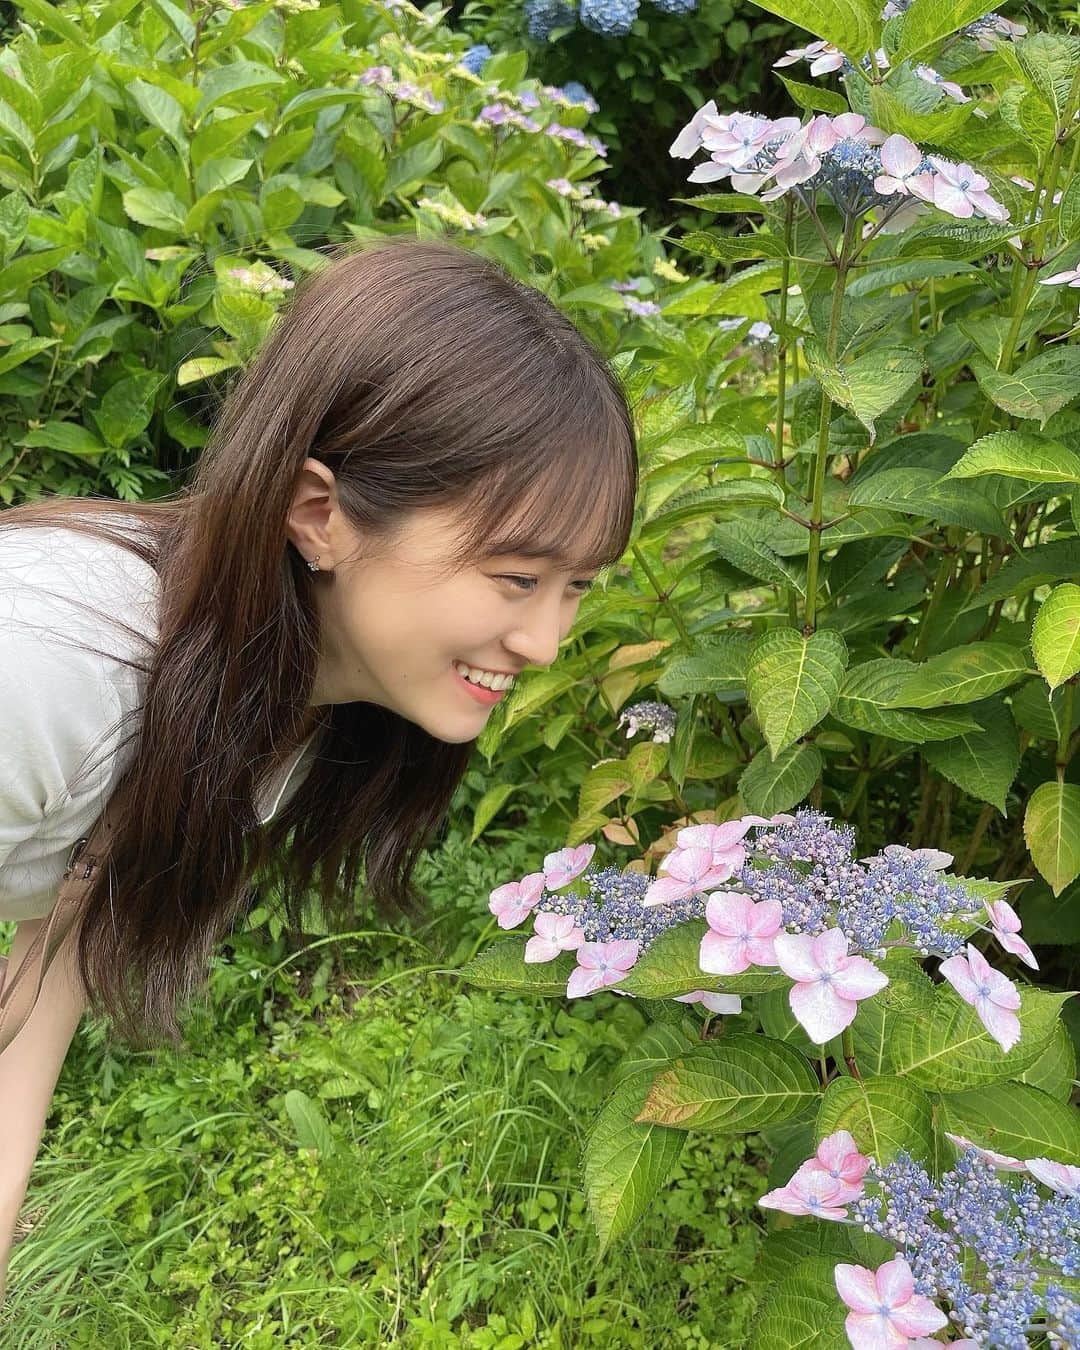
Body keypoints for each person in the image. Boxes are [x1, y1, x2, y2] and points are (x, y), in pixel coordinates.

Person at [0, 235, 639, 1300]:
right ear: (318, 513)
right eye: (519, 576)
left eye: (576, 587)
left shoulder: (282, 710)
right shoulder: (44, 670)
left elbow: (52, 962)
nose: (546, 644)